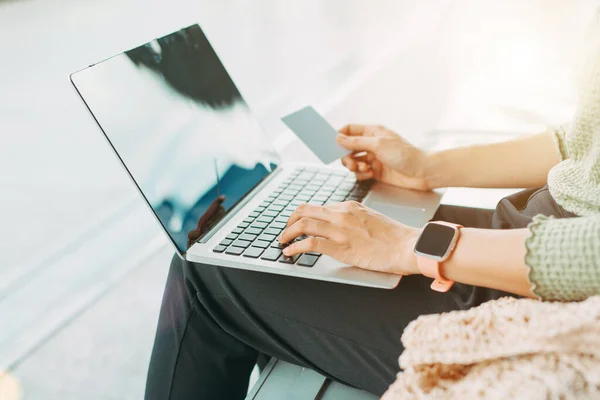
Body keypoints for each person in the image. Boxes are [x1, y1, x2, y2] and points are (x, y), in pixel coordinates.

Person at [144, 17, 600, 400]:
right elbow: (584, 142)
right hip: (532, 231)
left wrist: (410, 246)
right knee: (240, 252)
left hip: (555, 294)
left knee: (202, 273)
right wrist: (427, 169)